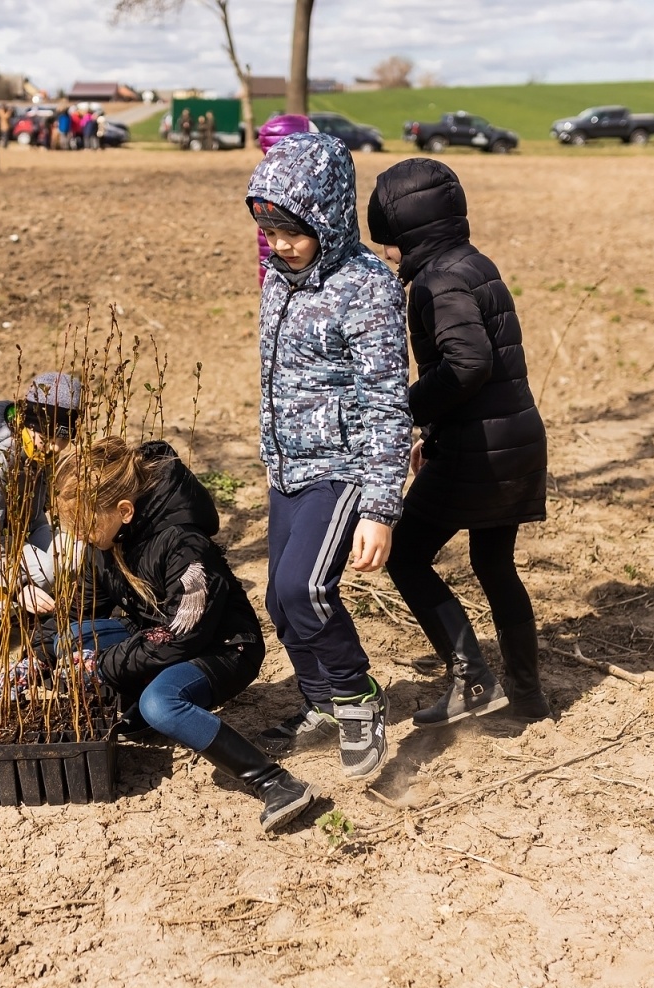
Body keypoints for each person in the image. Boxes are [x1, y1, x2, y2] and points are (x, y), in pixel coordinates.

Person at [244, 133, 412, 776]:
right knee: (279, 602)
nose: (280, 244)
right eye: (268, 230)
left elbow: (385, 401)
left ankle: (358, 698)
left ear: (329, 216)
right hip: (288, 462)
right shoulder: (279, 280)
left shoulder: (366, 287)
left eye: (293, 230)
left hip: (343, 465)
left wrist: (380, 507)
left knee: (306, 587)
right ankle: (320, 701)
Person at [367, 159, 550, 729]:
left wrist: (408, 411)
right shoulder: (474, 263)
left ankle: (473, 680)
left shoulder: (436, 280)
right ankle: (529, 701)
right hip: (515, 441)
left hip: (479, 451)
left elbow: (468, 365)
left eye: (388, 244)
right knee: (495, 566)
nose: (388, 256)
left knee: (407, 552)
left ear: (405, 232)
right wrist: (434, 434)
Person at [51, 437, 314, 832]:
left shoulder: (183, 543)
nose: (80, 536)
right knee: (69, 640)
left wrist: (104, 667)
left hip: (222, 647)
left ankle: (274, 782)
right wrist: (42, 656)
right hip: (157, 636)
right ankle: (136, 713)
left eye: (86, 525)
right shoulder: (103, 543)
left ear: (124, 511)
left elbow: (180, 634)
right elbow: (82, 614)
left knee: (163, 703)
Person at [0, 372, 84, 653]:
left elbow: (37, 516)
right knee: (45, 571)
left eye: (63, 439)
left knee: (76, 551)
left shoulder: (37, 450)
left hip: (20, 532)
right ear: (30, 424)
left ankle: (27, 612)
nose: (55, 448)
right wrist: (21, 586)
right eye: (48, 437)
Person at [255, 115, 317, 285]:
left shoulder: (263, 185)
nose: (280, 245)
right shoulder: (311, 189)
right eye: (270, 233)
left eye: (293, 233)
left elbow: (264, 248)